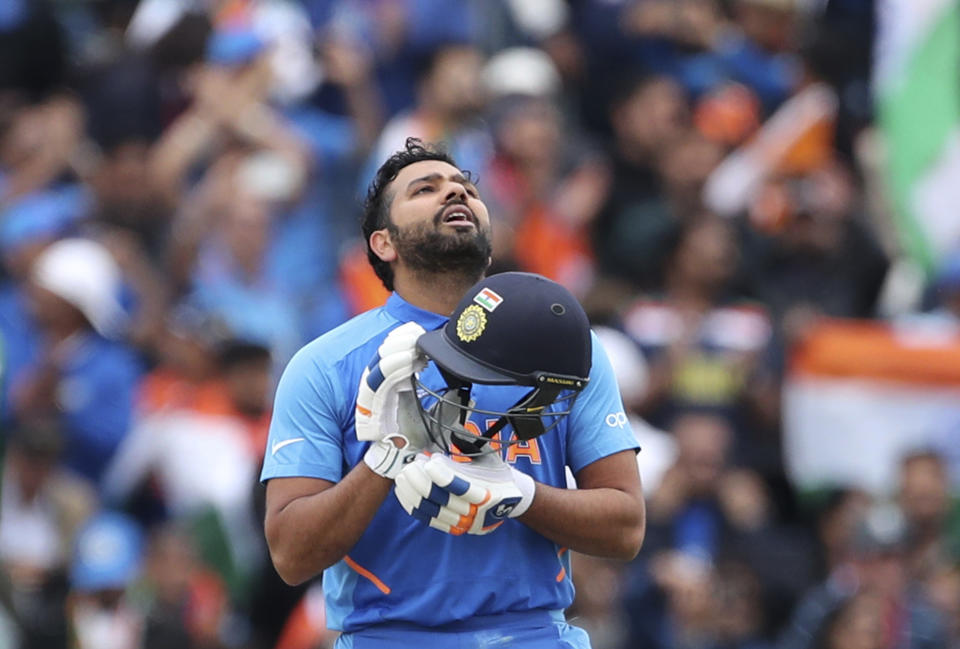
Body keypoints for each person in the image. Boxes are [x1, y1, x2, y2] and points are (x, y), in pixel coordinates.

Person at [261, 138, 645, 648]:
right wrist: (388, 458)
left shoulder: (566, 344)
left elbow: (625, 528)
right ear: (383, 243)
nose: (454, 192)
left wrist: (520, 495)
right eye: (426, 188)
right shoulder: (324, 365)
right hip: (388, 638)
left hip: (536, 635)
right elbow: (291, 555)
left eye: (466, 187)